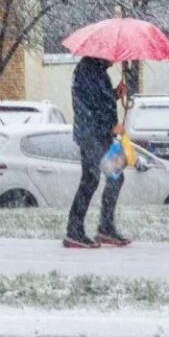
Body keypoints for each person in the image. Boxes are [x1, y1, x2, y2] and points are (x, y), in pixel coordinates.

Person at [64, 56, 131, 248]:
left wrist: (115, 94)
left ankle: (104, 227)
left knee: (115, 177)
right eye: (112, 56)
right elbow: (93, 106)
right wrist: (112, 125)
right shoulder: (88, 72)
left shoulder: (97, 72)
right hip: (91, 135)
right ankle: (75, 230)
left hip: (99, 134)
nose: (115, 59)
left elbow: (100, 99)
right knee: (91, 179)